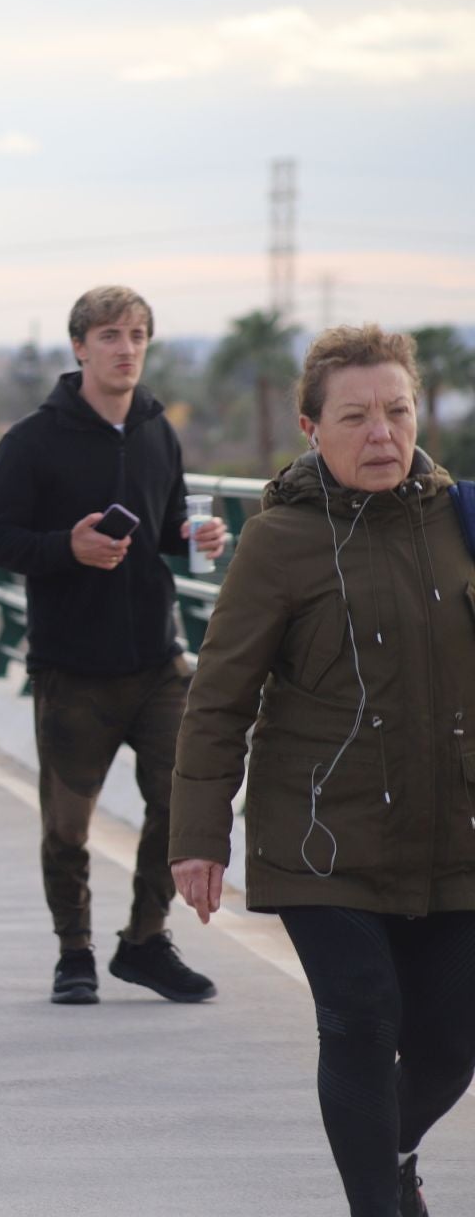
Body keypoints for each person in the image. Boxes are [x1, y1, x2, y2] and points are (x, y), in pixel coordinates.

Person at [172, 325, 475, 1217]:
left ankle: (397, 1152)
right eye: (356, 417)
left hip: (456, 829)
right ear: (312, 429)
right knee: (360, 1016)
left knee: (453, 1038)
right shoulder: (279, 542)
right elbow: (219, 700)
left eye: (398, 411)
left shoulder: (462, 523)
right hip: (320, 836)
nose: (382, 434)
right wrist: (198, 839)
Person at [0, 285, 228, 1007]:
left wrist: (195, 535)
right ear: (80, 346)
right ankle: (74, 952)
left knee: (180, 803)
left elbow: (170, 516)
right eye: (111, 335)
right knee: (67, 826)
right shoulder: (32, 440)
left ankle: (146, 940)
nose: (126, 349)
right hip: (71, 667)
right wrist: (68, 547)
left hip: (158, 659)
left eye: (138, 335)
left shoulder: (158, 428)